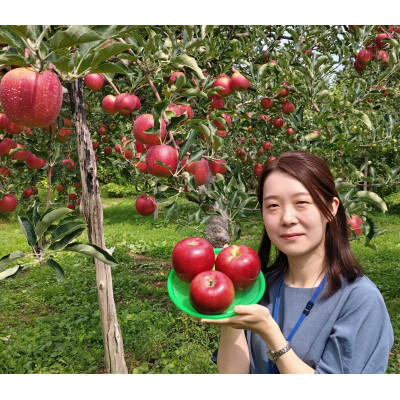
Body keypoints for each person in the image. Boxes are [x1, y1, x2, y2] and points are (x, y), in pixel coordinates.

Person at [201, 150, 394, 374]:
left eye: (301, 202)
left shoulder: (360, 300)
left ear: (331, 209)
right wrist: (231, 307)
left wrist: (270, 333)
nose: (287, 218)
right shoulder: (259, 287)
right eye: (273, 206)